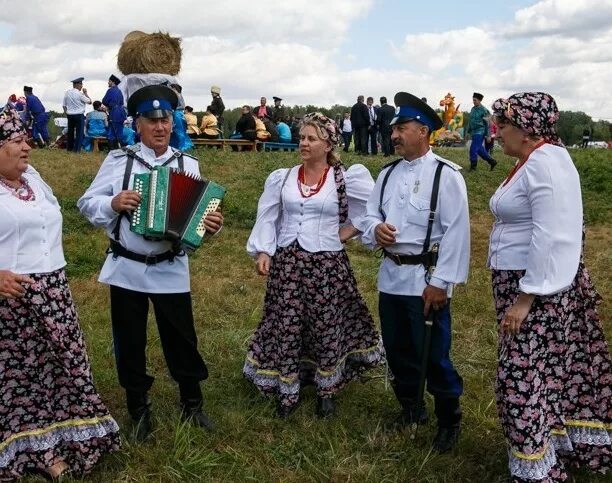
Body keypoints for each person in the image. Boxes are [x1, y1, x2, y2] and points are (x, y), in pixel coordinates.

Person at [0, 109, 120, 481]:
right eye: (17, 141)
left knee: (56, 374)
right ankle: (13, 452)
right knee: (7, 386)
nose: (28, 146)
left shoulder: (33, 179)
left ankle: (54, 443)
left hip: (47, 297)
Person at [77, 84, 224, 441]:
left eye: (166, 120)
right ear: (137, 124)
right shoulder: (119, 161)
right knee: (130, 339)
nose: (160, 127)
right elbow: (86, 204)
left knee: (182, 338)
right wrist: (112, 204)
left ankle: (192, 403)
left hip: (170, 266)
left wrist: (211, 224)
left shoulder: (187, 162)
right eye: (152, 120)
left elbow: (199, 217)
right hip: (127, 267)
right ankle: (138, 407)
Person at [488, 92, 611, 483]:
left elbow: (552, 233)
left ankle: (536, 470)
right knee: (543, 373)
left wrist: (525, 297)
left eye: (503, 125)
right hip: (525, 284)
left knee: (518, 378)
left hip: (535, 290)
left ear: (526, 129)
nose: (497, 132)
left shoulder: (544, 161)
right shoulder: (534, 159)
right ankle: (552, 450)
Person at [244, 112, 384, 419]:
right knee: (288, 323)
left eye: (311, 138)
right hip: (289, 264)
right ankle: (288, 389)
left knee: (325, 324)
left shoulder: (345, 178)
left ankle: (326, 390)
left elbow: (374, 209)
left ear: (328, 144)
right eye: (302, 137)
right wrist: (265, 251)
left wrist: (349, 230)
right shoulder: (283, 177)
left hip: (326, 264)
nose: (304, 143)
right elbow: (267, 215)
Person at [362, 92, 469, 453]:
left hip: (426, 280)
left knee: (433, 353)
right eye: (394, 129)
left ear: (422, 131)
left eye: (402, 128)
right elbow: (369, 216)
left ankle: (448, 420)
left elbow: (457, 232)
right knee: (397, 349)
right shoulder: (387, 173)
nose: (394, 135)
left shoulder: (446, 175)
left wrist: (442, 283)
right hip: (391, 277)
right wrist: (375, 229)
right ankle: (411, 408)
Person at [467, 92, 497, 171]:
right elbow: (471, 121)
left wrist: (488, 135)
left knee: (473, 149)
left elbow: (488, 123)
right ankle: (492, 162)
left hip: (480, 131)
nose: (474, 102)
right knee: (479, 149)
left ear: (480, 101)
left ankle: (473, 167)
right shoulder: (473, 109)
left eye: (475, 100)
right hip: (474, 132)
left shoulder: (484, 110)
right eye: (473, 100)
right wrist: (468, 131)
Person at [62, 77, 91, 152]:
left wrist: (66, 114)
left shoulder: (67, 93)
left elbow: (64, 105)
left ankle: (69, 148)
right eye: (81, 84)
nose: (82, 86)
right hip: (79, 115)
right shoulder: (80, 94)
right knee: (79, 133)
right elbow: (90, 102)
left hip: (70, 115)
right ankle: (77, 150)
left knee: (70, 132)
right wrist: (85, 93)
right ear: (77, 84)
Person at [102, 74, 127, 149]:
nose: (108, 82)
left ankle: (112, 150)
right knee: (119, 132)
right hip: (121, 112)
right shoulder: (119, 91)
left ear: (113, 82)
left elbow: (104, 101)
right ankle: (120, 149)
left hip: (114, 112)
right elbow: (122, 102)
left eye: (109, 81)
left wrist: (108, 106)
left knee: (111, 132)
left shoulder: (110, 90)